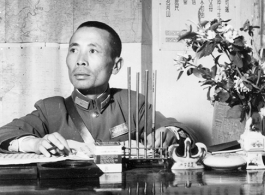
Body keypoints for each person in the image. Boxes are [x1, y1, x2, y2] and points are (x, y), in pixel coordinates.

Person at [0, 21, 199, 157]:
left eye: (93, 51)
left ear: (116, 65)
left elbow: (182, 128)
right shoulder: (51, 108)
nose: (80, 61)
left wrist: (169, 134)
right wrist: (34, 144)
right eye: (74, 50)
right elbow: (5, 133)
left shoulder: (131, 103)